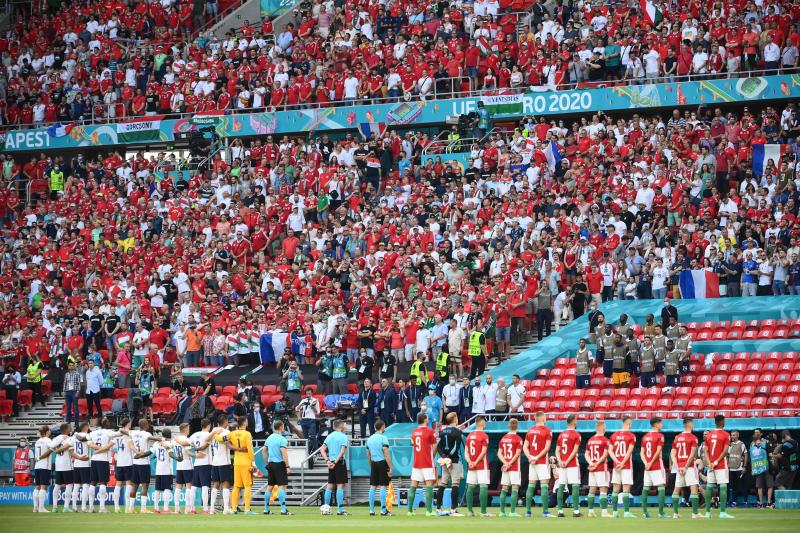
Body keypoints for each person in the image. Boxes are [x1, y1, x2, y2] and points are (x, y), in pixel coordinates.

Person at [86, 417, 121, 513]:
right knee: (102, 483)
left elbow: (87, 441)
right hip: (103, 460)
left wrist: (96, 448)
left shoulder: (93, 433)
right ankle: (101, 508)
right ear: (106, 423)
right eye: (108, 421)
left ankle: (91, 507)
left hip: (94, 459)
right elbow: (118, 433)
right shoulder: (108, 432)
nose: (109, 423)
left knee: (92, 482)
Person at [523, 411, 554, 518]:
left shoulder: (530, 431)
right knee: (544, 486)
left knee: (531, 486)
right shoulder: (547, 431)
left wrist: (530, 457)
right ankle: (545, 512)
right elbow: (547, 448)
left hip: (532, 463)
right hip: (541, 462)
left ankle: (528, 512)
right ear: (543, 418)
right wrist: (536, 457)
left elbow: (525, 447)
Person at [703, 414, 735, 518]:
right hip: (720, 465)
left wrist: (709, 463)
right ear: (721, 422)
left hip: (710, 465)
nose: (725, 422)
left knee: (709, 487)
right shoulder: (726, 434)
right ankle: (722, 512)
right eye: (724, 421)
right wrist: (716, 462)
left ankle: (707, 512)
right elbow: (725, 451)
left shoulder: (709, 434)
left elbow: (705, 451)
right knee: (723, 486)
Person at [671, 418, 701, 518]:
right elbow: (692, 454)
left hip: (680, 468)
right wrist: (685, 466)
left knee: (676, 489)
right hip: (689, 467)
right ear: (690, 424)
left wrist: (678, 466)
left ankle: (675, 513)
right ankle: (694, 513)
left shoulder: (677, 437)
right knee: (693, 488)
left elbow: (673, 454)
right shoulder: (693, 438)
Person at [408, 412, 437, 516]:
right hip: (427, 462)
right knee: (429, 485)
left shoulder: (414, 432)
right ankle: (429, 511)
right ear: (425, 420)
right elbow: (435, 445)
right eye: (427, 418)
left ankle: (409, 511)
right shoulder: (430, 431)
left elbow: (412, 444)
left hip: (416, 463)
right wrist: (432, 456)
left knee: (413, 485)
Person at [435, 412, 463, 516]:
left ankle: (438, 508)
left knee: (443, 484)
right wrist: (450, 458)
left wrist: (444, 457)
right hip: (454, 460)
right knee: (455, 484)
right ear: (455, 419)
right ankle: (453, 509)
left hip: (444, 461)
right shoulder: (458, 432)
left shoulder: (442, 431)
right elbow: (456, 447)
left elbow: (439, 446)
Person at [262, 420, 292, 515]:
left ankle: (266, 509)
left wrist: (267, 463)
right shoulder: (282, 439)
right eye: (283, 426)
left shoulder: (269, 438)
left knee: (270, 486)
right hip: (279, 464)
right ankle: (283, 510)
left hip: (271, 464)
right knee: (281, 486)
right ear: (281, 427)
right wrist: (287, 466)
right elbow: (284, 452)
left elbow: (264, 451)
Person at [320, 419, 350, 515]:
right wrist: (335, 462)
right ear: (341, 426)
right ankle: (340, 510)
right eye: (344, 424)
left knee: (330, 485)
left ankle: (326, 508)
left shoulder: (330, 436)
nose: (345, 426)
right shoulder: (343, 436)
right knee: (340, 486)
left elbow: (322, 449)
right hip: (339, 463)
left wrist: (327, 461)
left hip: (331, 463)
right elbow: (342, 451)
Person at [609, 415, 637, 518]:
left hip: (616, 466)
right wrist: (622, 463)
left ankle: (615, 512)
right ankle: (626, 512)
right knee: (626, 489)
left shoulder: (614, 435)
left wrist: (617, 462)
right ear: (628, 423)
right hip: (626, 466)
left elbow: (610, 451)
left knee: (615, 489)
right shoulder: (631, 436)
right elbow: (629, 452)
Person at [228, 416, 256, 515]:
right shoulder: (247, 434)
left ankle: (234, 508)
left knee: (236, 486)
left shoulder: (232, 433)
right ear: (244, 423)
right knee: (248, 485)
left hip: (236, 462)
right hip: (246, 462)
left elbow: (220, 439)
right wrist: (253, 462)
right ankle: (247, 509)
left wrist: (215, 433)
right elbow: (250, 450)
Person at [555, 414, 582, 517]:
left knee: (561, 486)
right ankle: (575, 511)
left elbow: (557, 450)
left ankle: (560, 511)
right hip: (572, 464)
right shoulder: (576, 435)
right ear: (573, 421)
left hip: (562, 465)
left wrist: (560, 461)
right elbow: (575, 451)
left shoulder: (561, 435)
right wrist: (567, 461)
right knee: (575, 486)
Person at [465, 416, 492, 517]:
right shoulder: (484, 436)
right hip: (481, 465)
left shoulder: (469, 436)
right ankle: (483, 512)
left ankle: (469, 511)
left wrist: (470, 462)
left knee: (470, 487)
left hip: (471, 466)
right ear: (482, 423)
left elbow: (466, 452)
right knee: (483, 487)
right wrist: (476, 462)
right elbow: (483, 451)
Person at [207, 413, 233, 514]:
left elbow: (206, 440)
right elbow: (229, 444)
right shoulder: (226, 431)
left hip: (215, 461)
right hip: (224, 461)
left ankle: (212, 508)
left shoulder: (214, 431)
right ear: (225, 421)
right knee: (226, 484)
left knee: (215, 485)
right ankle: (226, 508)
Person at [366, 419, 393, 516]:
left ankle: (371, 510)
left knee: (373, 486)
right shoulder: (383, 438)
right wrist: (390, 468)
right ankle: (383, 510)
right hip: (382, 463)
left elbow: (368, 454)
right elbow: (386, 454)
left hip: (373, 463)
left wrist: (371, 465)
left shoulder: (369, 439)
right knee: (383, 486)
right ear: (383, 426)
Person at [641, 416, 667, 518]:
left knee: (646, 488)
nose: (662, 424)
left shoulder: (645, 436)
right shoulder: (660, 436)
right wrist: (651, 463)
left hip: (647, 467)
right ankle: (661, 513)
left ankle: (644, 513)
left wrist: (646, 463)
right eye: (660, 423)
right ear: (656, 424)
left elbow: (641, 453)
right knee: (661, 488)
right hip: (656, 466)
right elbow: (658, 451)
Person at [585, 419, 611, 518]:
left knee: (592, 489)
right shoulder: (605, 440)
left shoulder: (590, 440)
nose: (605, 428)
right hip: (601, 468)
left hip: (592, 468)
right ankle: (604, 512)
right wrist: (596, 464)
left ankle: (590, 511)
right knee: (603, 489)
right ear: (602, 427)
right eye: (604, 426)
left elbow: (586, 454)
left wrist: (591, 463)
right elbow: (605, 455)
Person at [497, 418, 523, 517]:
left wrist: (505, 463)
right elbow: (517, 454)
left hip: (505, 466)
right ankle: (512, 511)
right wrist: (510, 463)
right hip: (514, 467)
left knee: (504, 488)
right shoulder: (518, 439)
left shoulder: (503, 438)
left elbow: (499, 453)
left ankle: (502, 512)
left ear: (509, 425)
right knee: (515, 487)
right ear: (517, 426)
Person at [189, 418, 213, 513]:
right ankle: (205, 509)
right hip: (205, 462)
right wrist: (199, 449)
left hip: (197, 463)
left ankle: (192, 508)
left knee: (194, 486)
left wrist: (195, 449)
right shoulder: (208, 435)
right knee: (205, 486)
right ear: (209, 425)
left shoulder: (194, 435)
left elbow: (189, 443)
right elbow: (206, 445)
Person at [172, 423, 196, 514]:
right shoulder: (187, 439)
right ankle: (187, 508)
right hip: (187, 464)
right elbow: (188, 451)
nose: (189, 429)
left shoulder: (174, 440)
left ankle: (176, 508)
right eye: (188, 428)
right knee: (188, 486)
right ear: (185, 429)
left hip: (179, 465)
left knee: (178, 487)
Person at [50, 423, 74, 512]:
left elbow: (51, 446)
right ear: (67, 429)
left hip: (58, 465)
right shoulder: (69, 439)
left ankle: (54, 507)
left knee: (57, 485)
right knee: (69, 485)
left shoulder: (56, 438)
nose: (71, 428)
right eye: (69, 427)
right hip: (67, 464)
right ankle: (66, 507)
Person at [151, 428, 176, 513]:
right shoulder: (170, 443)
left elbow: (150, 452)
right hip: (167, 469)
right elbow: (171, 449)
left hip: (158, 469)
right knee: (167, 488)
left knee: (157, 489)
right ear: (169, 434)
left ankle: (156, 508)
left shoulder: (156, 443)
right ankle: (166, 508)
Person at [750, 429, 774, 508]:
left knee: (765, 486)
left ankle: (765, 503)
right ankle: (764, 503)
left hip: (762, 468)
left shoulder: (763, 443)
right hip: (761, 468)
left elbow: (770, 454)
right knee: (764, 486)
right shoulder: (753, 445)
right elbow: (770, 455)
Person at [296, 387, 320, 463]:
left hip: (311, 419)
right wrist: (299, 416)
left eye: (309, 393)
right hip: (304, 420)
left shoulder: (315, 400)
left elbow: (318, 412)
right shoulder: (303, 400)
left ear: (312, 393)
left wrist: (313, 407)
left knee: (313, 436)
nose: (308, 395)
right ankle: (307, 451)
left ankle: (316, 451)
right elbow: (297, 409)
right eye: (307, 393)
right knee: (305, 437)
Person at [33, 425, 54, 513]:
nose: (50, 431)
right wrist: (42, 456)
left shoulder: (37, 441)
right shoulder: (48, 440)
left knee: (37, 487)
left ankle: (35, 508)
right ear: (47, 432)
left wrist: (39, 458)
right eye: (49, 430)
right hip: (44, 465)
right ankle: (41, 508)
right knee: (43, 487)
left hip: (37, 465)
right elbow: (51, 449)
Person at [727, 431, 747, 508]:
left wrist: (744, 466)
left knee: (740, 486)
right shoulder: (730, 444)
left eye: (734, 435)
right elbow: (727, 455)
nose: (732, 436)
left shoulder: (741, 444)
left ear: (737, 436)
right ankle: (731, 501)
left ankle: (744, 501)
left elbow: (745, 454)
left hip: (739, 468)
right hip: (731, 468)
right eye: (731, 435)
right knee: (731, 486)